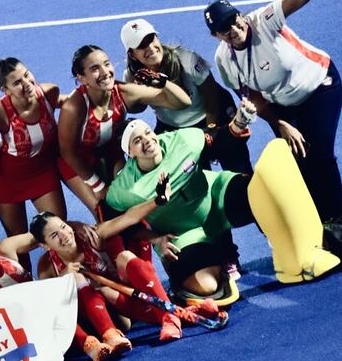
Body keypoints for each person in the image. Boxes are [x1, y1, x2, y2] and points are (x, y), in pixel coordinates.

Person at [107, 118, 340, 301]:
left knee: (266, 190)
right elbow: (124, 228)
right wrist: (156, 239)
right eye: (137, 140)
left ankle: (317, 245)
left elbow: (220, 140)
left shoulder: (183, 140)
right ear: (130, 152)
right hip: (185, 235)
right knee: (208, 287)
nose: (147, 140)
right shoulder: (124, 190)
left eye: (148, 132)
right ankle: (207, 265)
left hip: (217, 198)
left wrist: (237, 124)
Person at [205, 0, 342, 236]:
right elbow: (252, 97)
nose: (233, 29)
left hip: (319, 84)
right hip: (281, 102)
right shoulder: (224, 60)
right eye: (224, 29)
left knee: (319, 152)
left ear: (240, 15)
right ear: (217, 37)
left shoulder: (264, 20)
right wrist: (280, 123)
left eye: (234, 20)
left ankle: (339, 219)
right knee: (298, 159)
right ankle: (320, 221)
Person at [30, 180, 191, 360]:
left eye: (63, 227)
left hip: (125, 298)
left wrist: (157, 201)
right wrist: (63, 278)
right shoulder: (46, 266)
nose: (65, 236)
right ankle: (105, 338)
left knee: (125, 257)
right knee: (77, 278)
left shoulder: (91, 235)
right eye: (54, 236)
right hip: (96, 316)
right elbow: (52, 307)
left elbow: (128, 218)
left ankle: (171, 316)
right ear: (44, 245)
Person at [58, 45, 192, 216]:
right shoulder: (74, 107)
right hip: (78, 160)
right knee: (104, 212)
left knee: (132, 200)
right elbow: (67, 152)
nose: (105, 72)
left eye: (106, 64)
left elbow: (183, 102)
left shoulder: (123, 92)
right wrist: (98, 185)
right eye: (95, 69)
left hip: (110, 152)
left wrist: (163, 83)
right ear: (82, 78)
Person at [121, 18, 252, 174]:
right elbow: (138, 108)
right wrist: (137, 93)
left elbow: (212, 96)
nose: (150, 47)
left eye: (151, 39)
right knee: (196, 181)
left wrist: (210, 130)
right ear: (133, 55)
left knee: (239, 171)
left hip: (214, 115)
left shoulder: (188, 60)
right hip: (174, 128)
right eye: (141, 46)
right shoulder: (131, 77)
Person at [0, 58, 70, 266]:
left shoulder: (48, 93)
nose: (27, 83)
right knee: (19, 242)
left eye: (27, 75)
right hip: (6, 180)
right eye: (17, 82)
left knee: (57, 230)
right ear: (5, 89)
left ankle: (64, 279)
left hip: (42, 172)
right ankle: (25, 284)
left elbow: (73, 102)